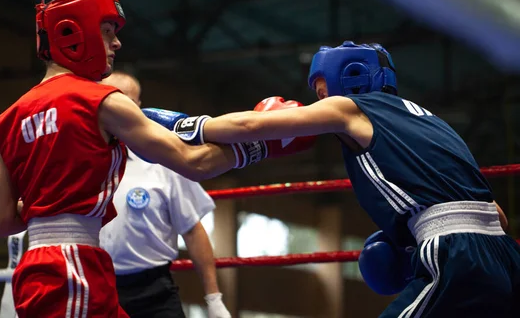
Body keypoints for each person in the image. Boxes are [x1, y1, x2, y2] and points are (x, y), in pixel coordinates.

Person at [0, 0, 312, 318]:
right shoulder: (98, 100)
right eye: (108, 32)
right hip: (73, 270)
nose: (117, 44)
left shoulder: (7, 120)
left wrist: (49, 205)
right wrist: (262, 144)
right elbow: (194, 162)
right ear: (74, 33)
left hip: (50, 268)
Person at [143, 40, 520, 317]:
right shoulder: (432, 121)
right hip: (504, 256)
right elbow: (498, 216)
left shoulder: (349, 107)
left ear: (351, 76)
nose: (317, 92)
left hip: (455, 253)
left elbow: (249, 124)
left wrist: (190, 125)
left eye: (320, 82)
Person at [99, 72, 231, 318]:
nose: (114, 109)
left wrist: (213, 298)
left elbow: (192, 229)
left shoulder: (165, 157)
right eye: (107, 100)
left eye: (122, 100)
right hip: (96, 287)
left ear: (137, 108)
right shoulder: (82, 160)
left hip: (153, 290)